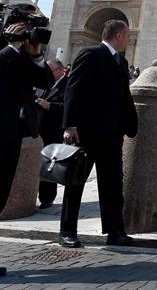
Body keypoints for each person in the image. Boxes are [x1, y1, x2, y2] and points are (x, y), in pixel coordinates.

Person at [60, 19, 138, 248]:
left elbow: (123, 96)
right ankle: (68, 231)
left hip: (112, 134)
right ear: (118, 36)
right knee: (76, 183)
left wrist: (129, 122)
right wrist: (70, 125)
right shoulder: (90, 54)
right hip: (86, 133)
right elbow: (73, 90)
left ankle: (115, 230)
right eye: (126, 35)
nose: (128, 38)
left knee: (113, 184)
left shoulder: (121, 62)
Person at [0, 18, 55, 277]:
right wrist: (16, 44)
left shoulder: (20, 59)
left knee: (1, 193)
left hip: (12, 134)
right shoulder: (6, 56)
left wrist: (36, 53)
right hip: (3, 134)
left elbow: (45, 80)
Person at [35, 59, 68, 209]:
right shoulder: (43, 82)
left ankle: (46, 198)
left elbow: (70, 107)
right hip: (37, 129)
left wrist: (50, 106)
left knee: (49, 164)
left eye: (51, 70)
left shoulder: (68, 84)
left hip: (54, 131)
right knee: (35, 163)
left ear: (61, 70)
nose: (47, 73)